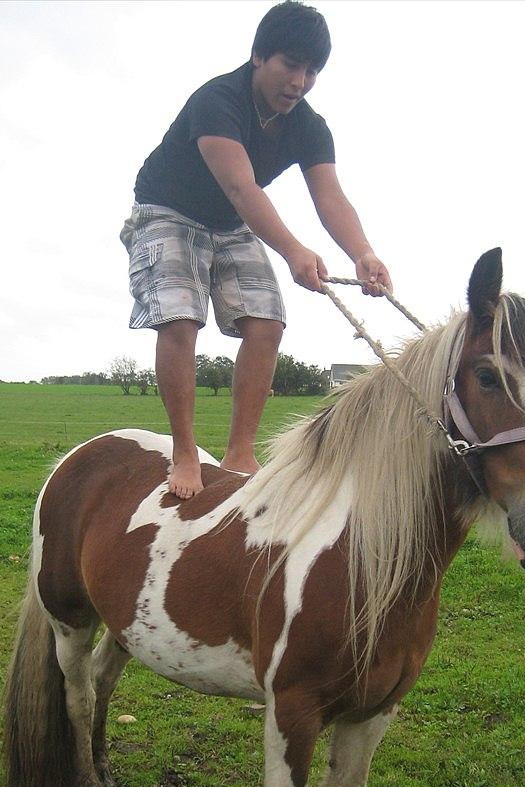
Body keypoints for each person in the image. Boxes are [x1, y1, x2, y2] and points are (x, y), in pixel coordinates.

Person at [120, 0, 392, 499]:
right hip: (167, 210)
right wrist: (292, 250)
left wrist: (363, 253)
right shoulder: (217, 101)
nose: (300, 81)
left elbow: (329, 195)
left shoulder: (309, 126)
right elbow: (243, 188)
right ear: (258, 57)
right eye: (290, 64)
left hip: (231, 224)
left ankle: (240, 453)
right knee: (180, 318)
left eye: (312, 71)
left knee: (267, 322)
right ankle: (184, 450)